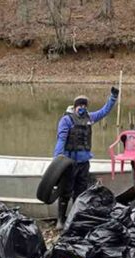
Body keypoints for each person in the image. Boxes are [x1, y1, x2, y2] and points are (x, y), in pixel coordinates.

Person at [53, 87, 119, 229]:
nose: (82, 108)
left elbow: (104, 111)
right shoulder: (66, 120)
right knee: (65, 191)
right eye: (80, 106)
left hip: (84, 162)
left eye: (84, 106)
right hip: (69, 163)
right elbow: (61, 139)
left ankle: (76, 218)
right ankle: (60, 219)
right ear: (75, 107)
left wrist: (113, 97)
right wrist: (57, 159)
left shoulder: (89, 118)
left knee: (80, 192)